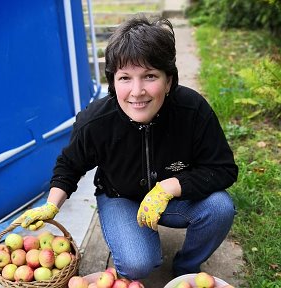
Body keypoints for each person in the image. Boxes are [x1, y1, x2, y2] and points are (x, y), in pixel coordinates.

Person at [14, 15, 238, 280]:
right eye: (124, 78)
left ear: (168, 81)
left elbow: (223, 169)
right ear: (112, 81)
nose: (137, 91)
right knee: (137, 265)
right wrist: (51, 206)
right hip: (120, 196)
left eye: (150, 76)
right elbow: (69, 166)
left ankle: (187, 266)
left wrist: (169, 187)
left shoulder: (192, 110)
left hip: (172, 200)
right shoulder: (96, 121)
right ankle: (132, 236)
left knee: (220, 207)